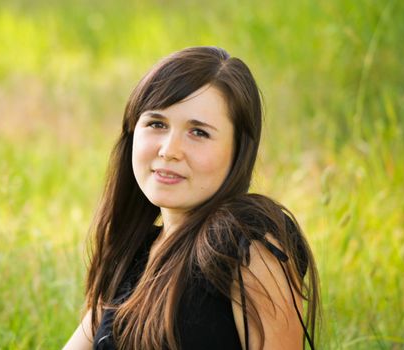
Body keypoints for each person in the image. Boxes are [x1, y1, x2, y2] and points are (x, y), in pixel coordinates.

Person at [64, 46, 319, 350]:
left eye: (198, 132)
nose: (170, 150)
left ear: (238, 151)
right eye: (157, 124)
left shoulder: (246, 241)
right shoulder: (133, 253)